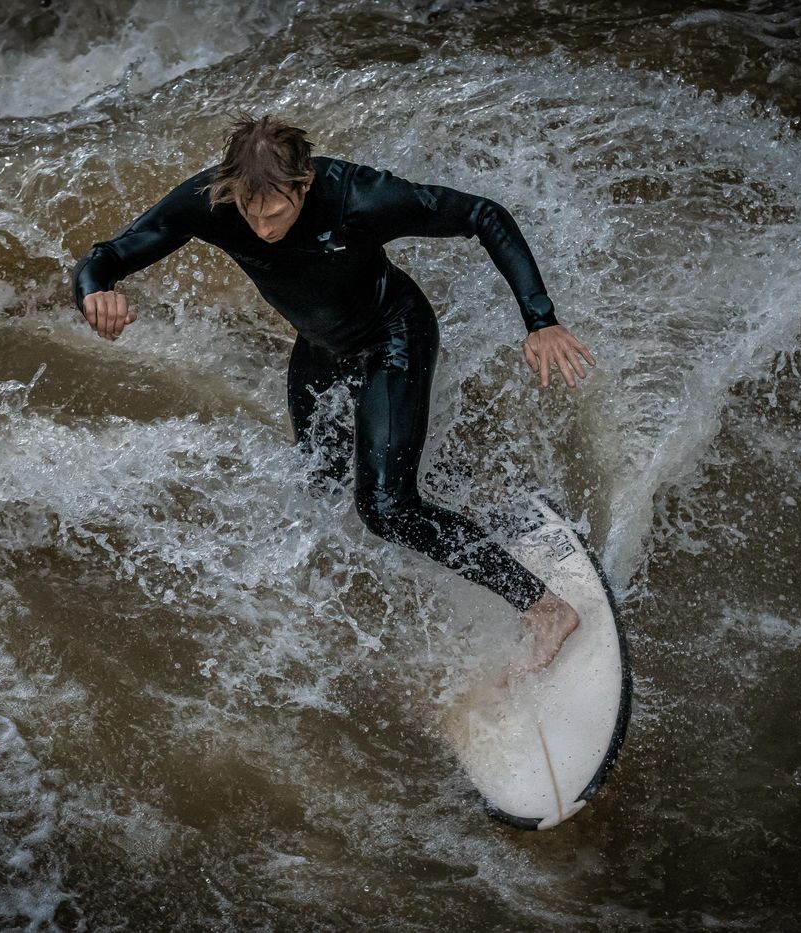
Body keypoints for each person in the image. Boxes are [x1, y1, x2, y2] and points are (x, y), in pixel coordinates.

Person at [72, 116, 595, 670]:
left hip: (392, 338)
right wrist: (95, 291)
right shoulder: (211, 202)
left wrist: (540, 319)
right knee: (320, 477)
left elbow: (482, 214)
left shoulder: (359, 197)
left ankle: (544, 608)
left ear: (303, 184)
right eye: (249, 213)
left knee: (386, 508)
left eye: (274, 213)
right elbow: (108, 255)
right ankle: (458, 494)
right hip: (320, 347)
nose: (261, 228)